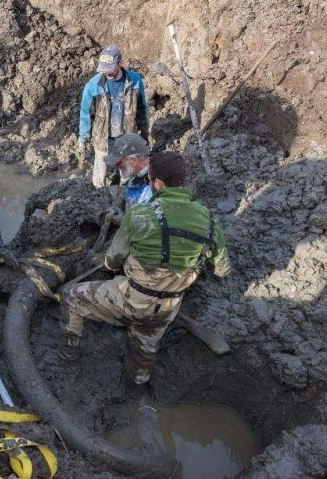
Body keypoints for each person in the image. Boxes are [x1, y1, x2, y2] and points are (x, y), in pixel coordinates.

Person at [58, 151, 230, 388]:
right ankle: (137, 385)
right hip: (167, 309)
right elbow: (221, 268)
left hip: (132, 300)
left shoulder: (141, 215)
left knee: (70, 298)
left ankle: (69, 359)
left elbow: (112, 262)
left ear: (158, 182)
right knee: (145, 349)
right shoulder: (210, 221)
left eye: (150, 180)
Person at [78, 46, 149, 188]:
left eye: (110, 68)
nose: (107, 73)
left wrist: (145, 133)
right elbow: (85, 113)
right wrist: (83, 138)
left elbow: (141, 108)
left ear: (120, 64)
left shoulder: (134, 81)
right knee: (100, 174)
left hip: (126, 136)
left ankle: (121, 192)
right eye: (104, 69)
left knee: (127, 175)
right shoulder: (93, 86)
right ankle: (99, 193)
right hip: (103, 137)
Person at [105, 133, 153, 209]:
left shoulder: (155, 183)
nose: (118, 168)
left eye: (119, 163)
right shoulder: (135, 175)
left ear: (133, 161)